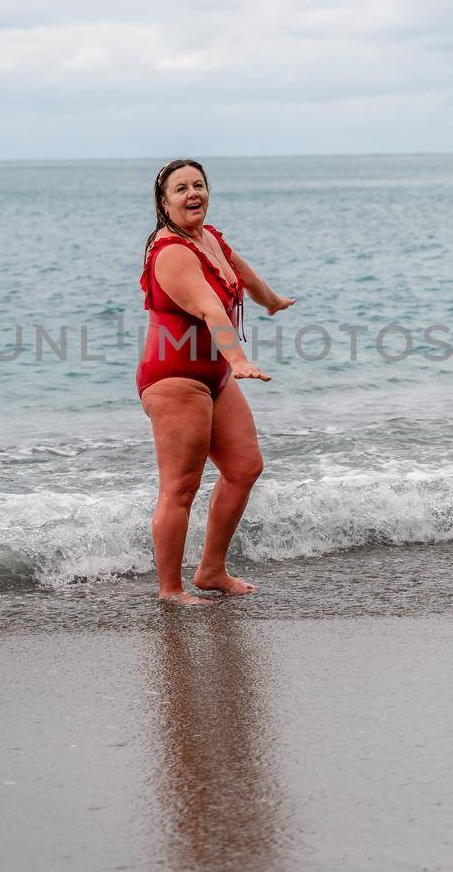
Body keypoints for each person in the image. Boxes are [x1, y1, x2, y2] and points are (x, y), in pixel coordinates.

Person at [136, 159, 295, 604]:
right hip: (174, 379)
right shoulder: (171, 253)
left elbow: (241, 276)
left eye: (199, 185)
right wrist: (239, 358)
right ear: (164, 202)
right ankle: (170, 589)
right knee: (181, 487)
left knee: (245, 468)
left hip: (215, 376)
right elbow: (211, 308)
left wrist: (272, 301)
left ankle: (211, 570)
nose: (193, 194)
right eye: (181, 188)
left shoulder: (211, 239)